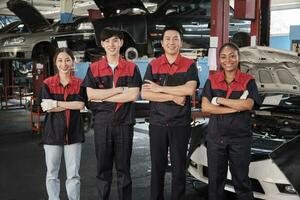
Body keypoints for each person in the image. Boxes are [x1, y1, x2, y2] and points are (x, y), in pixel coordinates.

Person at [81, 27, 142, 200]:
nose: (111, 44)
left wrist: (104, 96)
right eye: (107, 41)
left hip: (124, 124)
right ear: (102, 44)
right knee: (103, 170)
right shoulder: (94, 68)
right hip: (102, 124)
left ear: (121, 43)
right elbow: (91, 95)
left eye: (115, 40)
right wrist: (118, 91)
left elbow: (132, 95)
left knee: (124, 170)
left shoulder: (131, 68)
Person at [141, 26, 199, 200]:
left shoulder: (189, 65)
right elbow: (145, 93)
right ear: (162, 42)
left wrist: (160, 89)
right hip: (157, 124)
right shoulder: (154, 65)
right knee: (157, 168)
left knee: (179, 169)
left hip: (180, 124)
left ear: (181, 42)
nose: (171, 42)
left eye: (175, 39)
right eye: (168, 39)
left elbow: (189, 90)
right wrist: (174, 96)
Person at [201, 42, 261, 200]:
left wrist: (218, 99)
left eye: (232, 56)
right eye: (223, 57)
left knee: (241, 181)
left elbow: (248, 104)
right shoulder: (212, 80)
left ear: (238, 58)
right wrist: (235, 107)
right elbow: (206, 107)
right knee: (214, 182)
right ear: (220, 60)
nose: (228, 60)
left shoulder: (248, 80)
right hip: (216, 137)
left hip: (240, 138)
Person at [39, 47, 86, 200]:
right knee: (52, 174)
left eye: (67, 60)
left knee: (73, 175)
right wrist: (69, 104)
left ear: (73, 62)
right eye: (60, 60)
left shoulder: (80, 83)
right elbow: (47, 107)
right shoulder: (48, 83)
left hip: (74, 133)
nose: (64, 64)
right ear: (55, 63)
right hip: (52, 134)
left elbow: (80, 105)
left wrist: (56, 103)